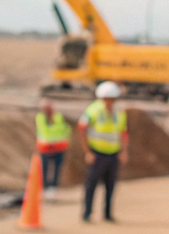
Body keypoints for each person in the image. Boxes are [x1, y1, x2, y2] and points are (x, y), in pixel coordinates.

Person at [79, 81, 128, 223]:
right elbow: (82, 128)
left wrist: (123, 151)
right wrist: (87, 151)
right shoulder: (93, 110)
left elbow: (123, 134)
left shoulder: (119, 113)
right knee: (91, 184)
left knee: (110, 186)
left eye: (111, 99)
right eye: (106, 99)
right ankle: (87, 213)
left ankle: (107, 214)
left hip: (113, 154)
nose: (109, 102)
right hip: (97, 154)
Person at [35, 98, 71, 198]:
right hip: (45, 148)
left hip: (59, 147)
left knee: (56, 169)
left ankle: (53, 189)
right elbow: (44, 131)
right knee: (44, 169)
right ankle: (45, 189)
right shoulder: (40, 117)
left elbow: (63, 129)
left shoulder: (58, 117)